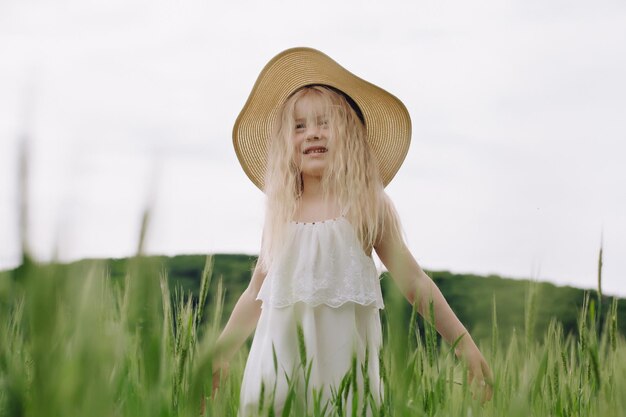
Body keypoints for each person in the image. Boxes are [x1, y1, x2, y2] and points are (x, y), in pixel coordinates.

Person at [212, 47, 493, 416]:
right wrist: (219, 354)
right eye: (299, 126)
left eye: (325, 122)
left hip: (342, 378)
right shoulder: (280, 214)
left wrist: (462, 343)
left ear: (350, 132)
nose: (312, 133)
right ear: (286, 144)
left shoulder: (366, 206)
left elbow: (414, 282)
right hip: (277, 376)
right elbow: (256, 294)